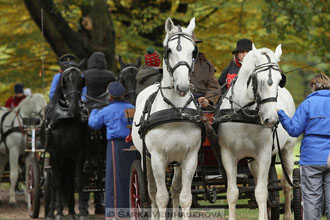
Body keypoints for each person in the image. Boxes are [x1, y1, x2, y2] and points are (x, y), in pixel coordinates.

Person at [277, 73, 330, 220]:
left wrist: (281, 114)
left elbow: (294, 130)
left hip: (311, 159)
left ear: (314, 87)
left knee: (312, 201)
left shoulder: (308, 104)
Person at [88, 82, 136, 219]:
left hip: (116, 146)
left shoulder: (107, 110)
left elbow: (94, 124)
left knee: (114, 179)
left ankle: (115, 213)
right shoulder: (133, 108)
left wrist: (94, 112)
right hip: (132, 145)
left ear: (110, 96)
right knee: (131, 178)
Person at [190, 33, 220, 109]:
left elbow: (214, 87)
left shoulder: (206, 65)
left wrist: (207, 100)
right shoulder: (172, 63)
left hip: (201, 106)